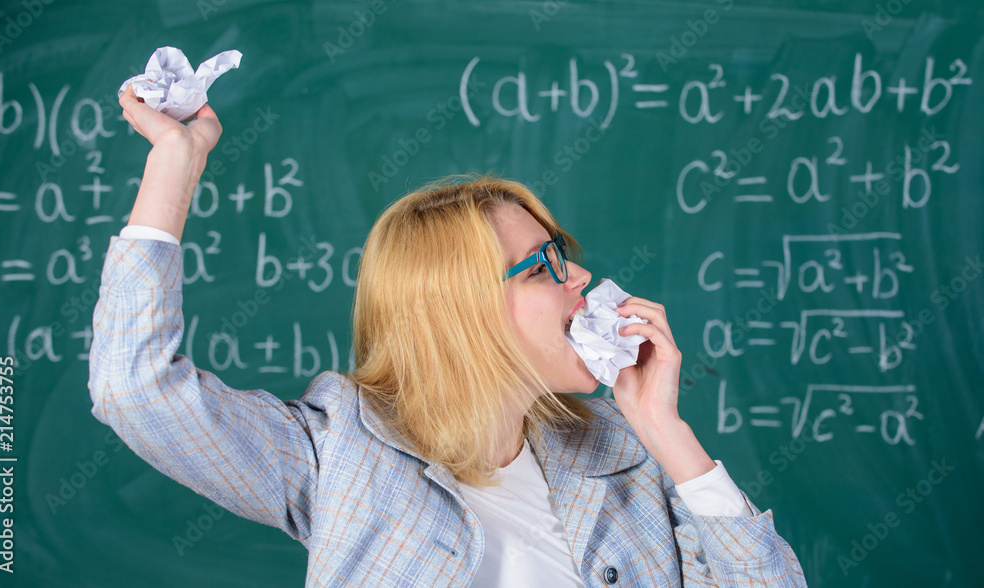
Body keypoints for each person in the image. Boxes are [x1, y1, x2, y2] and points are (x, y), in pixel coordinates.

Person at [88, 86, 807, 587]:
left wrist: (667, 433)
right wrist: (175, 159)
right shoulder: (337, 453)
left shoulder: (622, 457)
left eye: (566, 253)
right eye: (544, 266)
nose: (582, 278)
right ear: (458, 309)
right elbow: (135, 388)